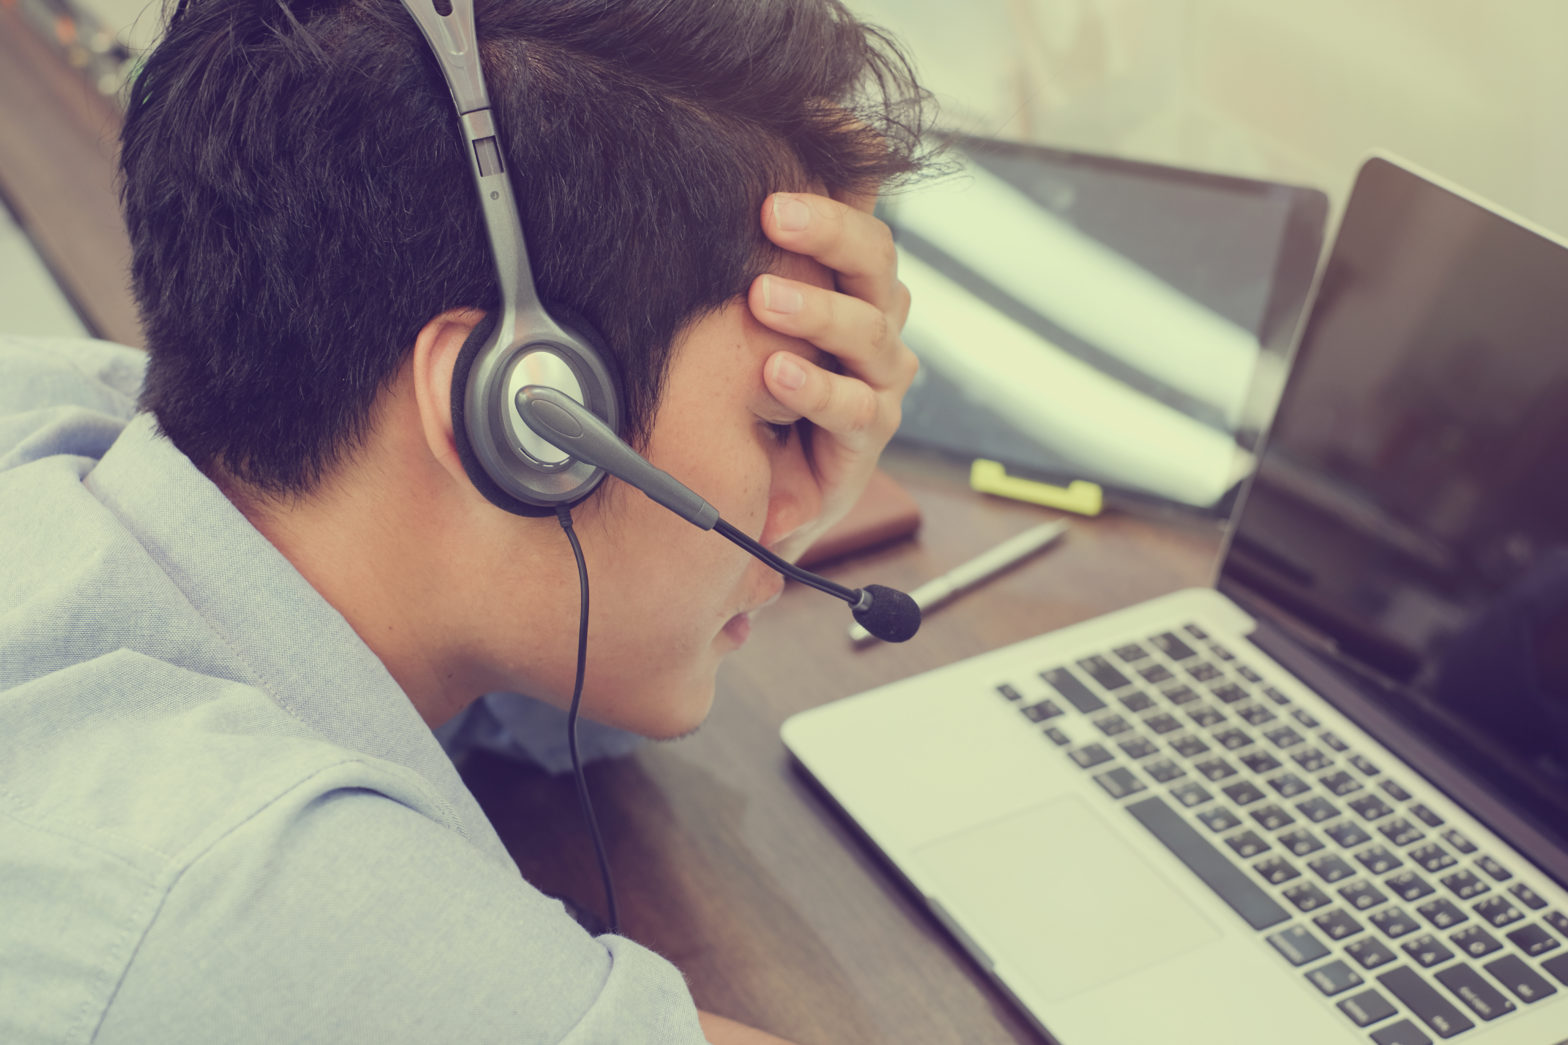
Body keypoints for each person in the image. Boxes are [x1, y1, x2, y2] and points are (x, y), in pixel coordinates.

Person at [0, 0, 934, 1040]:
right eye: (777, 417)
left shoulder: (68, 417)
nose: (807, 479)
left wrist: (774, 516)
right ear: (524, 414)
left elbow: (543, 653)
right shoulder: (256, 902)